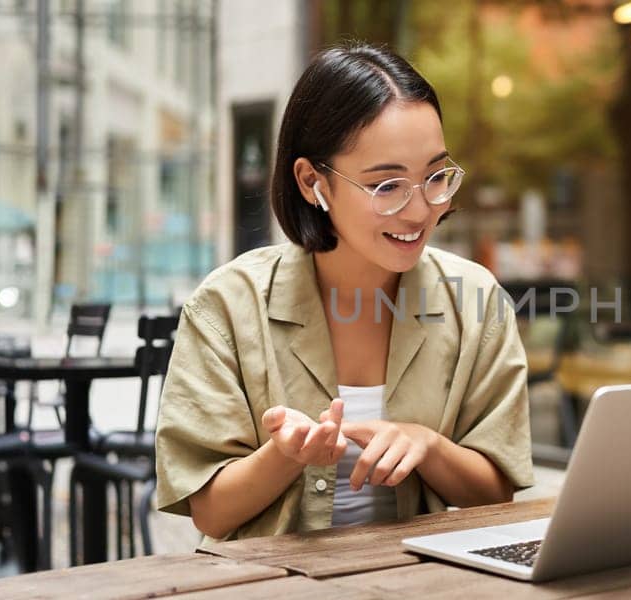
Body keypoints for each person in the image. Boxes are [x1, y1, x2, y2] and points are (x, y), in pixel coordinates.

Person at [154, 43, 534, 542]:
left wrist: (429, 446)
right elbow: (211, 513)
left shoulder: (474, 299)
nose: (420, 211)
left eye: (435, 177)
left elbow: (497, 491)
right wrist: (285, 457)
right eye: (387, 186)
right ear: (313, 181)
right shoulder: (227, 305)